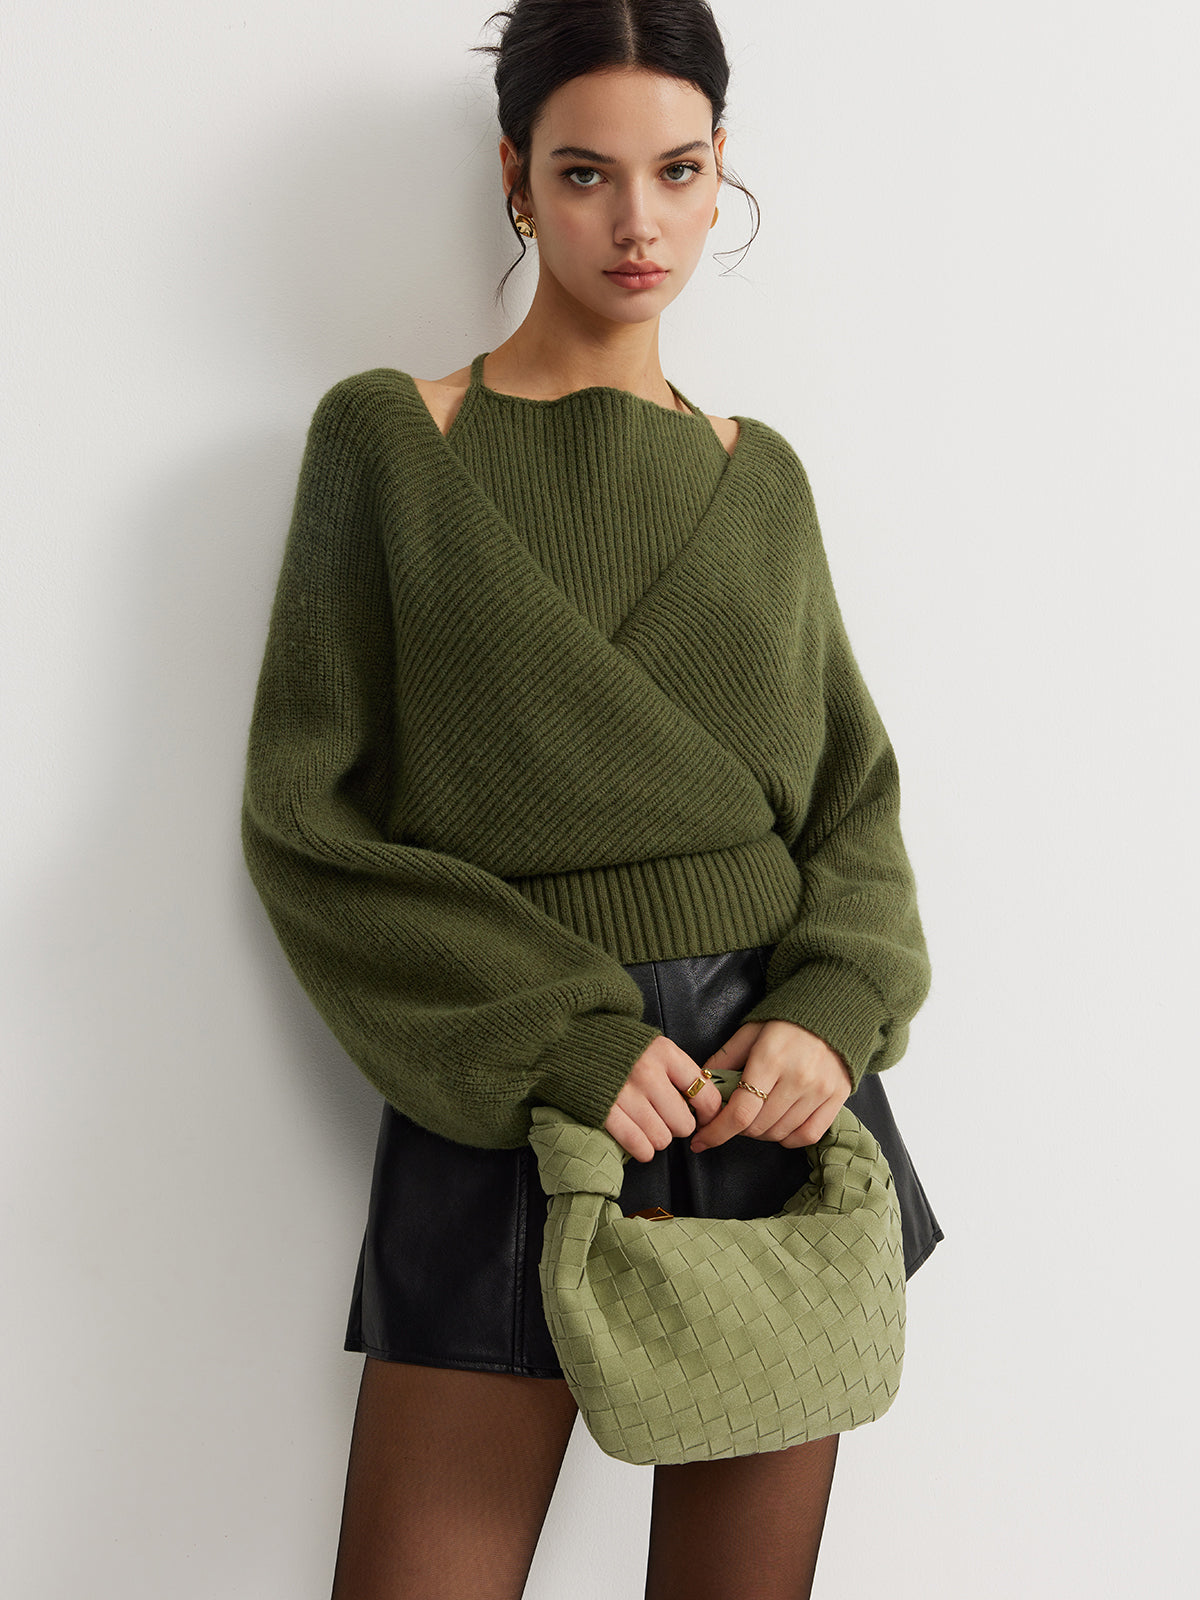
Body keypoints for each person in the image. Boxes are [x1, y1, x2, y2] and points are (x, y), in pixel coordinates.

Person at [241, 3, 941, 1596]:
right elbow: (307, 824)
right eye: (584, 174)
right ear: (515, 176)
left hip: (765, 1102)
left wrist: (835, 1007)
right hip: (513, 1091)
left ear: (720, 173)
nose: (638, 223)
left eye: (677, 171)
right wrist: (555, 1038)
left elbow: (853, 808)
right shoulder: (391, 443)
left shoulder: (760, 476)